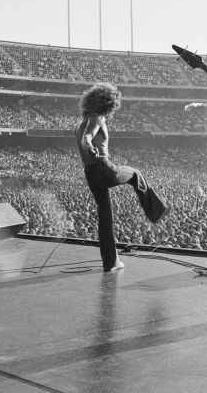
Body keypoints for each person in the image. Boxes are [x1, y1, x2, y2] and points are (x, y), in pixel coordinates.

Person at [74, 83, 171, 271]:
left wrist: (88, 147)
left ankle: (111, 262)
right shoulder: (98, 118)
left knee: (105, 217)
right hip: (104, 168)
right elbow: (87, 138)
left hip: (90, 174)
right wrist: (91, 147)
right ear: (108, 104)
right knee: (136, 173)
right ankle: (157, 210)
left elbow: (83, 137)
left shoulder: (80, 121)